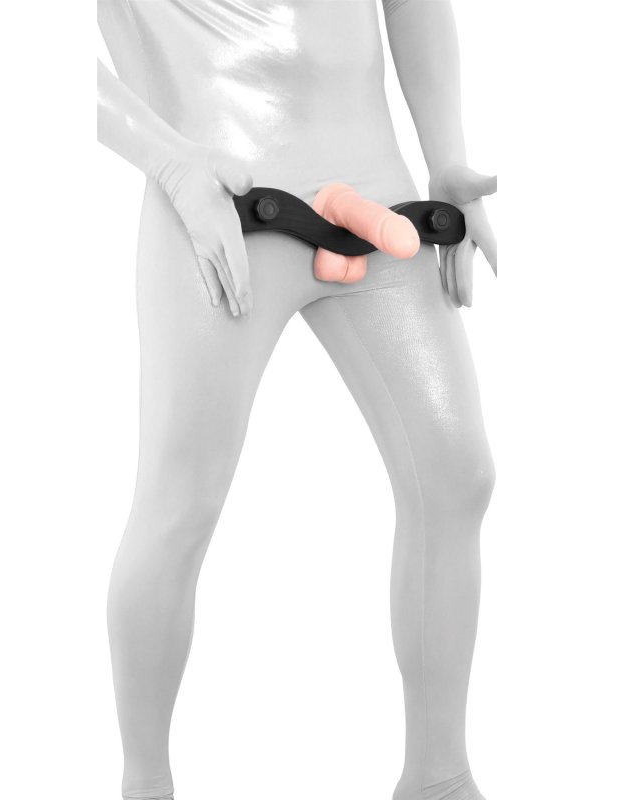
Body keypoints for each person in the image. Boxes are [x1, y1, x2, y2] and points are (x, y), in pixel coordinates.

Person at [97, 2, 497, 799]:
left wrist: (447, 156)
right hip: (218, 198)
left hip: (375, 191)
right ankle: (146, 786)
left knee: (457, 476)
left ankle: (439, 780)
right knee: (180, 508)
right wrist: (168, 163)